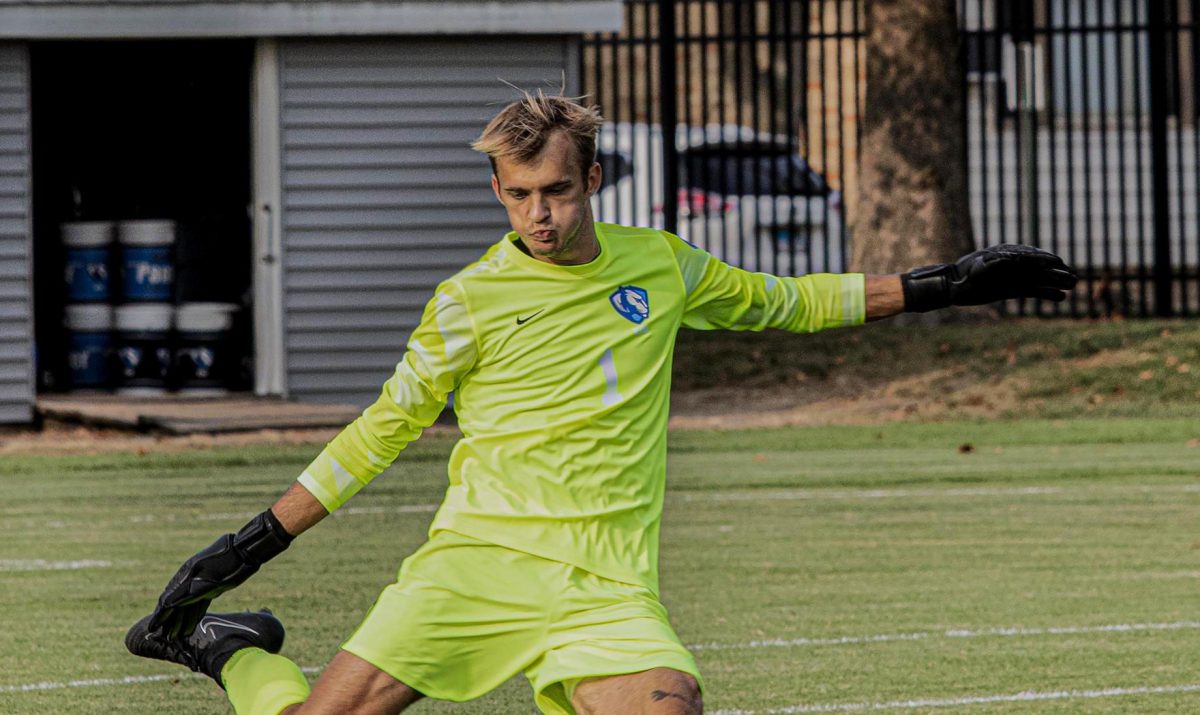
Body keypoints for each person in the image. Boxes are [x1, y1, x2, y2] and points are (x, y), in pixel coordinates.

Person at [125, 91, 1077, 715]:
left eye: (557, 191)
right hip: (477, 565)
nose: (540, 214)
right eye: (518, 196)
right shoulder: (467, 301)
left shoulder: (659, 263)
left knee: (673, 705)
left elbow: (783, 301)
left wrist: (941, 282)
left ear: (593, 181)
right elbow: (381, 432)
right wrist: (244, 548)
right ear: (497, 191)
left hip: (608, 587)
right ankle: (231, 650)